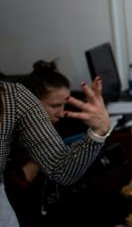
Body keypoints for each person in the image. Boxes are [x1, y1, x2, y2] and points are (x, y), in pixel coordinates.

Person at [0, 62, 111, 227]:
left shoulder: (13, 97)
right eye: (55, 106)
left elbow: (62, 170)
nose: (61, 112)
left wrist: (99, 131)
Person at [4, 60, 72, 225]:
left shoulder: (58, 126)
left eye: (64, 105)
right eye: (55, 106)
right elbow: (13, 196)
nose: (62, 113)